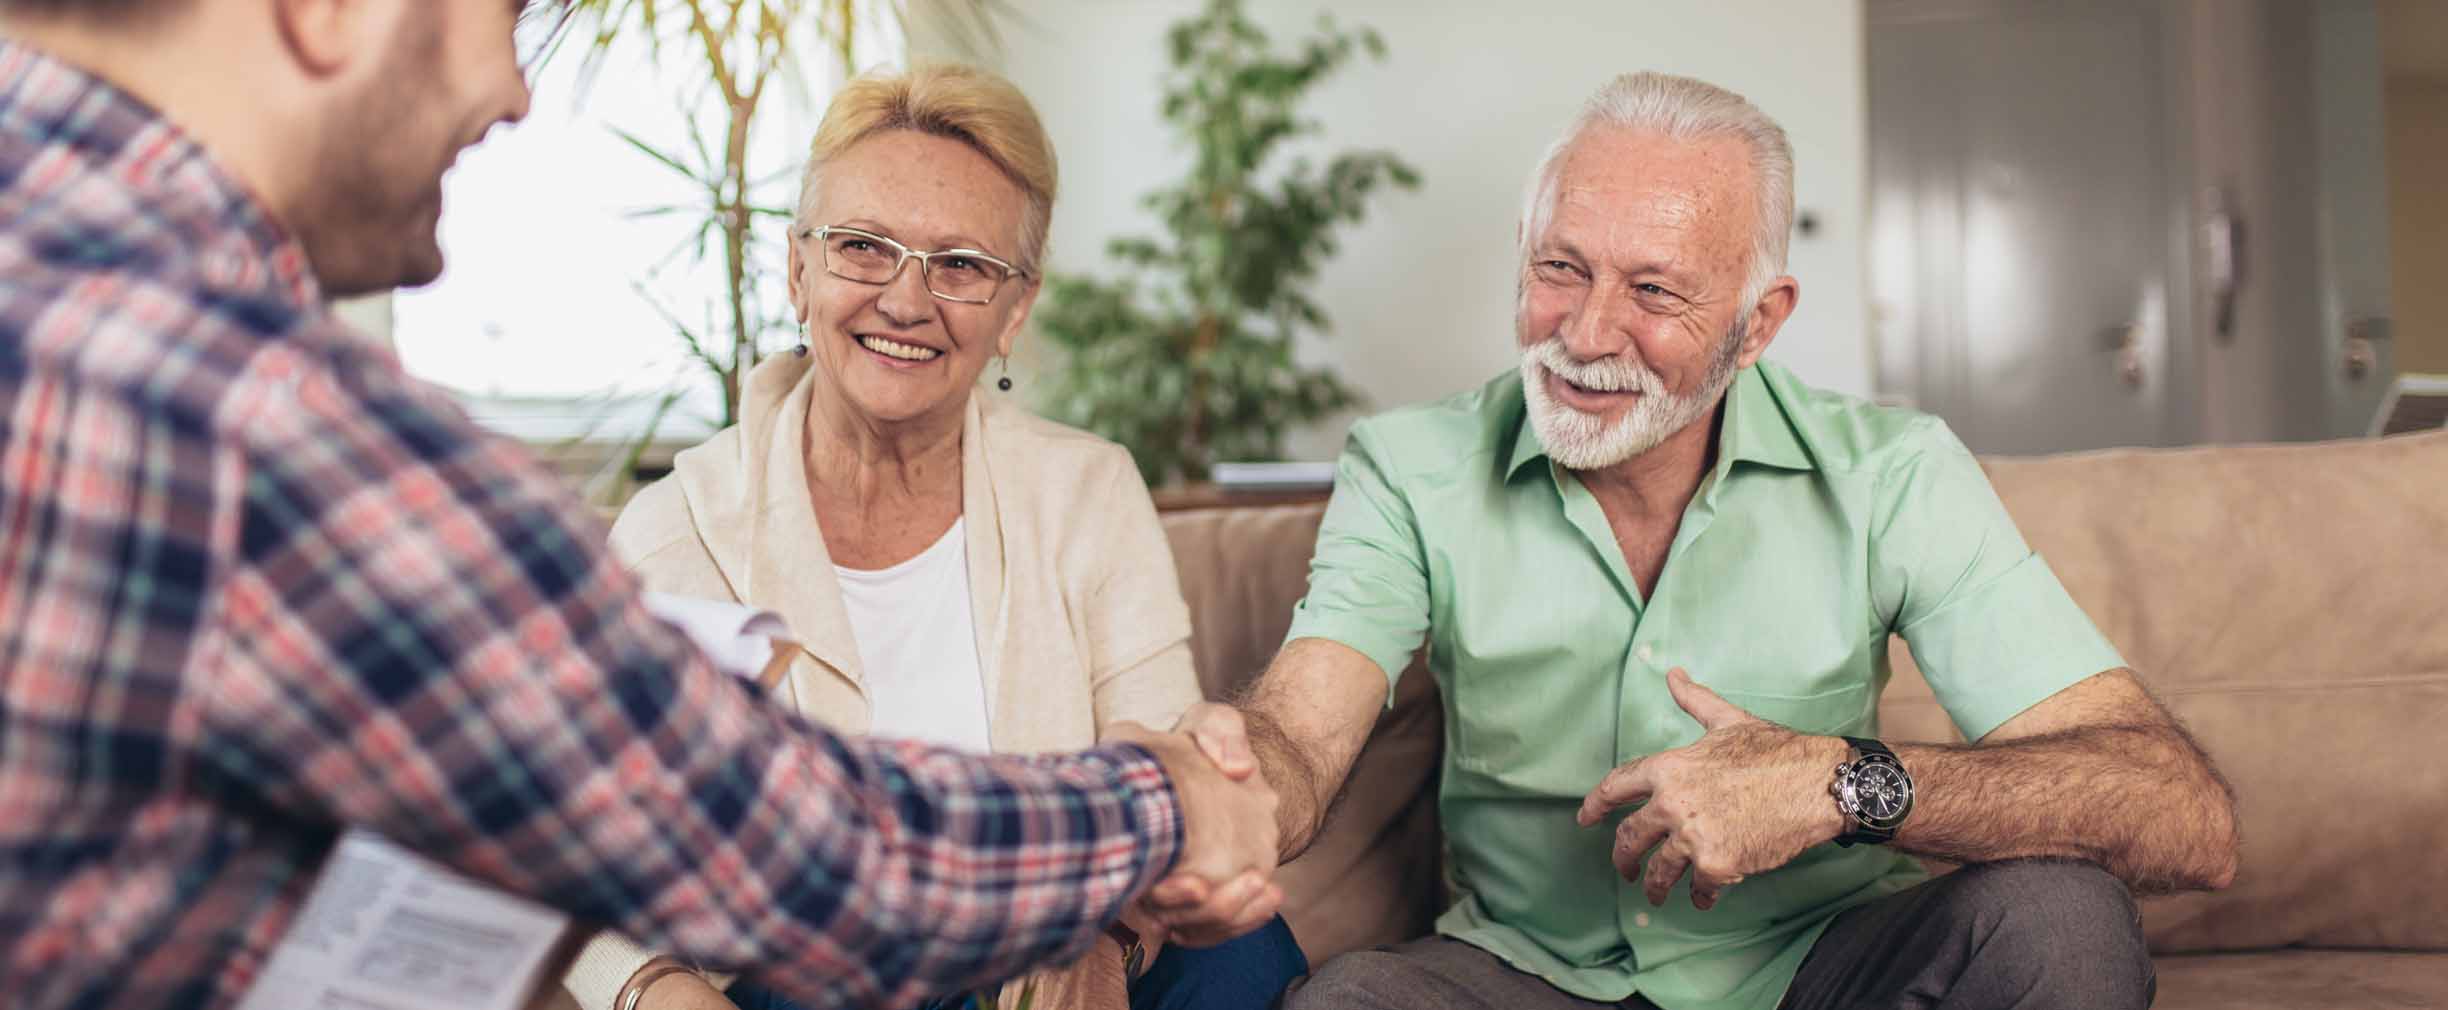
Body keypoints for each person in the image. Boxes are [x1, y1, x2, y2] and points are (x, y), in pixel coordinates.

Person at [0, 3, 1281, 1009]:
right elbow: (810, 849)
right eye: (502, 13)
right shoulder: (268, 425)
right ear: (329, 7)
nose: (511, 90)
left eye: (959, 266)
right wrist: (1164, 806)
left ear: (1015, 301)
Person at [1150, 72, 2241, 1010]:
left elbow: (2180, 811)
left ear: (1758, 322)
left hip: (1819, 966)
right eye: (1559, 268)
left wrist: (1841, 784)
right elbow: (1303, 722)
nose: (1582, 335)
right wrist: (1228, 797)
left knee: (2061, 921)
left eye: (1654, 289)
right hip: (1526, 975)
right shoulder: (1409, 467)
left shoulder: (1893, 474)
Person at [559, 63, 1305, 1010]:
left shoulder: (1088, 490)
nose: (907, 302)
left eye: (960, 266)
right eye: (864, 248)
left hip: (1046, 952)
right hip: (813, 979)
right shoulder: (675, 533)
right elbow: (573, 847)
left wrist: (1112, 939)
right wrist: (658, 990)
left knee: (1246, 948)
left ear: (1015, 308)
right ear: (799, 269)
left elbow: (1166, 774)